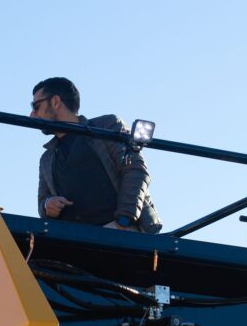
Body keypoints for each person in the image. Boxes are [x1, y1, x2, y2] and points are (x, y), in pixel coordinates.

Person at [29, 77, 161, 233]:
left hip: (117, 232)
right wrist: (47, 205)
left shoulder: (106, 126)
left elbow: (135, 171)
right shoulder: (47, 158)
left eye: (36, 106)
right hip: (73, 243)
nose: (32, 115)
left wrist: (124, 220)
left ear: (56, 102)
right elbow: (42, 202)